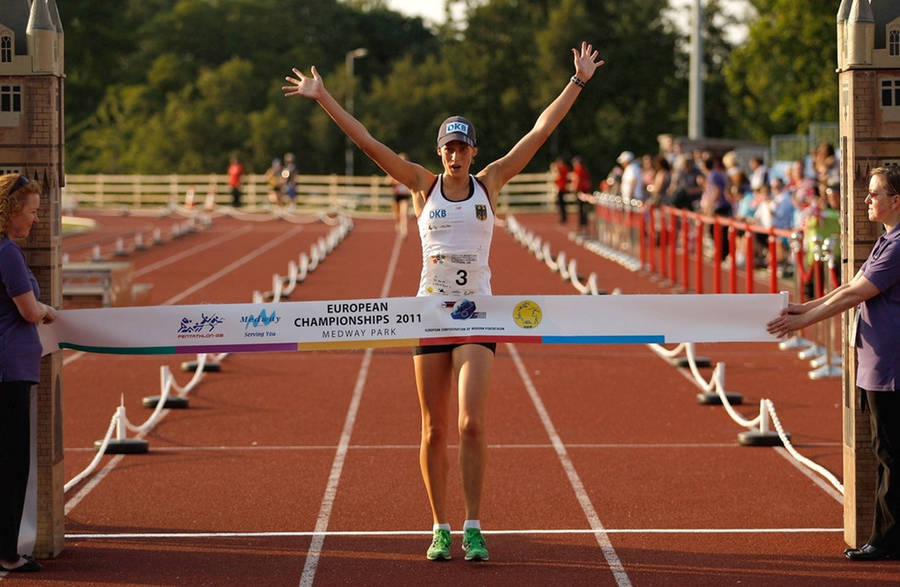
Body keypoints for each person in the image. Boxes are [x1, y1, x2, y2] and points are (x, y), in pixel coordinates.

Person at [283, 41, 604, 562]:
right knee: (432, 427)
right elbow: (367, 143)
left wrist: (578, 81)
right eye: (449, 148)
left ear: (474, 152)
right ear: (440, 152)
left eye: (463, 147)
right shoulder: (420, 185)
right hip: (430, 313)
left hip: (478, 311)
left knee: (469, 423)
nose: (456, 155)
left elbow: (540, 132)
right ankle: (439, 525)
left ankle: (474, 525)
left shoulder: (490, 182)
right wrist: (323, 98)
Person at [767, 166, 900, 561]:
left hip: (891, 366)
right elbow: (848, 286)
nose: (867, 199)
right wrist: (802, 308)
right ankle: (886, 536)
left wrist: (801, 322)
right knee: (885, 452)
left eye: (875, 193)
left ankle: (888, 540)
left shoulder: (897, 244)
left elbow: (855, 295)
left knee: (891, 455)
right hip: (878, 364)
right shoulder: (886, 240)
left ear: (897, 200)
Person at [0, 174, 57, 573]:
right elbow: (27, 310)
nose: (36, 220)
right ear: (11, 211)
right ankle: (6, 553)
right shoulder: (8, 253)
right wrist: (47, 311)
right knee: (12, 462)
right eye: (33, 211)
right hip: (8, 371)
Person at [386, 153, 412, 238]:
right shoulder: (394, 170)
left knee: (404, 213)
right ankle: (398, 223)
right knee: (397, 215)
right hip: (397, 195)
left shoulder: (409, 170)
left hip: (405, 195)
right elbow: (387, 181)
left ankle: (404, 230)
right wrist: (395, 181)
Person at [571, 156, 593, 233]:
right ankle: (584, 225)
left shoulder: (578, 169)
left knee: (581, 209)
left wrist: (574, 189)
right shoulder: (584, 169)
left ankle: (581, 226)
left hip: (581, 191)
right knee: (584, 209)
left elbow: (577, 179)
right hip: (585, 191)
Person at [552, 156, 570, 224]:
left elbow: (557, 171)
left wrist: (555, 167)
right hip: (560, 187)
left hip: (561, 187)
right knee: (561, 204)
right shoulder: (563, 168)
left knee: (561, 204)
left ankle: (563, 218)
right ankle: (563, 217)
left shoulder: (563, 167)